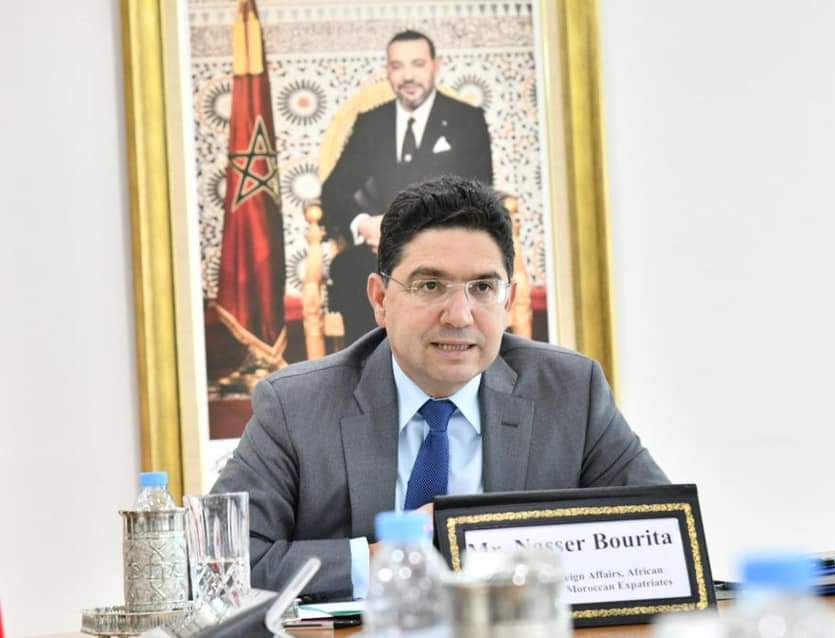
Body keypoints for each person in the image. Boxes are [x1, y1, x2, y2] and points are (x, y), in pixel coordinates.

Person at [211, 176, 668, 600]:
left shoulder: (571, 392)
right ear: (380, 299)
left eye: (483, 287)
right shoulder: (295, 406)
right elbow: (220, 564)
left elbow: (661, 540)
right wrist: (387, 561)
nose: (459, 315)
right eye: (430, 285)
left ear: (508, 301)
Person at [321, 29, 494, 345]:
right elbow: (333, 192)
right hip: (380, 253)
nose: (408, 76)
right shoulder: (371, 123)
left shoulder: (467, 120)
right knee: (348, 267)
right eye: (397, 66)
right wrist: (363, 224)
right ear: (388, 71)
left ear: (436, 67)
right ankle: (370, 367)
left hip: (446, 247)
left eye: (417, 64)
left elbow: (480, 196)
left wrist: (412, 231)